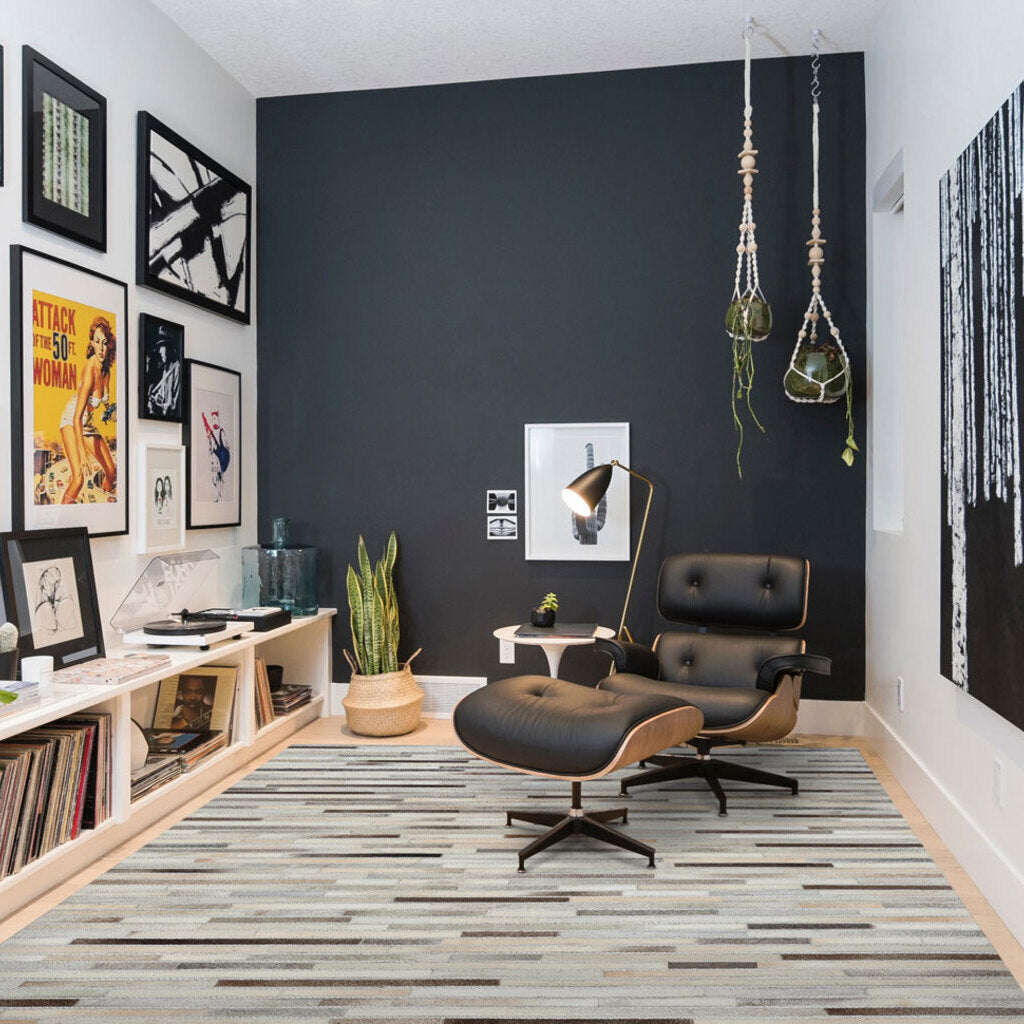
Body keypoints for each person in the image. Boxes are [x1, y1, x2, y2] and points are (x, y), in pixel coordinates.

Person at [59, 317, 117, 504]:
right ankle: (62, 516)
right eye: (97, 342)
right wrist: (83, 454)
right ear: (92, 343)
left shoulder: (106, 370)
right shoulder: (90, 370)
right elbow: (76, 418)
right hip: (72, 421)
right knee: (79, 478)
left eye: (105, 343)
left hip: (87, 424)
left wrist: (114, 413)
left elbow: (105, 404)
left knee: (111, 472)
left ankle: (105, 507)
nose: (101, 348)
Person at [145, 326, 181, 417]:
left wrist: (159, 406)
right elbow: (162, 394)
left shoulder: (177, 368)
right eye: (159, 348)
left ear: (169, 348)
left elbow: (174, 405)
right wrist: (154, 399)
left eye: (162, 347)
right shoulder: (165, 368)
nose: (159, 351)